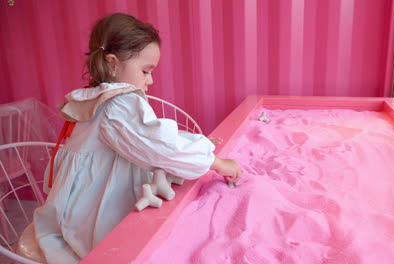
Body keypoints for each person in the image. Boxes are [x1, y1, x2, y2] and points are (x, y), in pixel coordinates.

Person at [32, 13, 242, 263]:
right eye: (145, 71)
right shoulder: (119, 104)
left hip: (79, 198)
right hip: (91, 209)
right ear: (112, 63)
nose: (150, 80)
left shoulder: (99, 95)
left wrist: (201, 145)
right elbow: (159, 147)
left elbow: (145, 137)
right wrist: (216, 162)